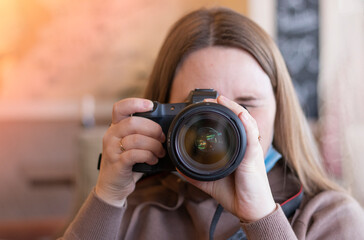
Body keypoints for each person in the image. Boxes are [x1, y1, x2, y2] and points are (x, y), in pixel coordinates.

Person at [60, 7, 364, 240]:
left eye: (245, 105)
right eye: (200, 108)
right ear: (164, 113)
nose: (225, 125)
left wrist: (261, 216)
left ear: (279, 108)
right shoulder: (133, 210)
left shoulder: (330, 216)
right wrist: (108, 198)